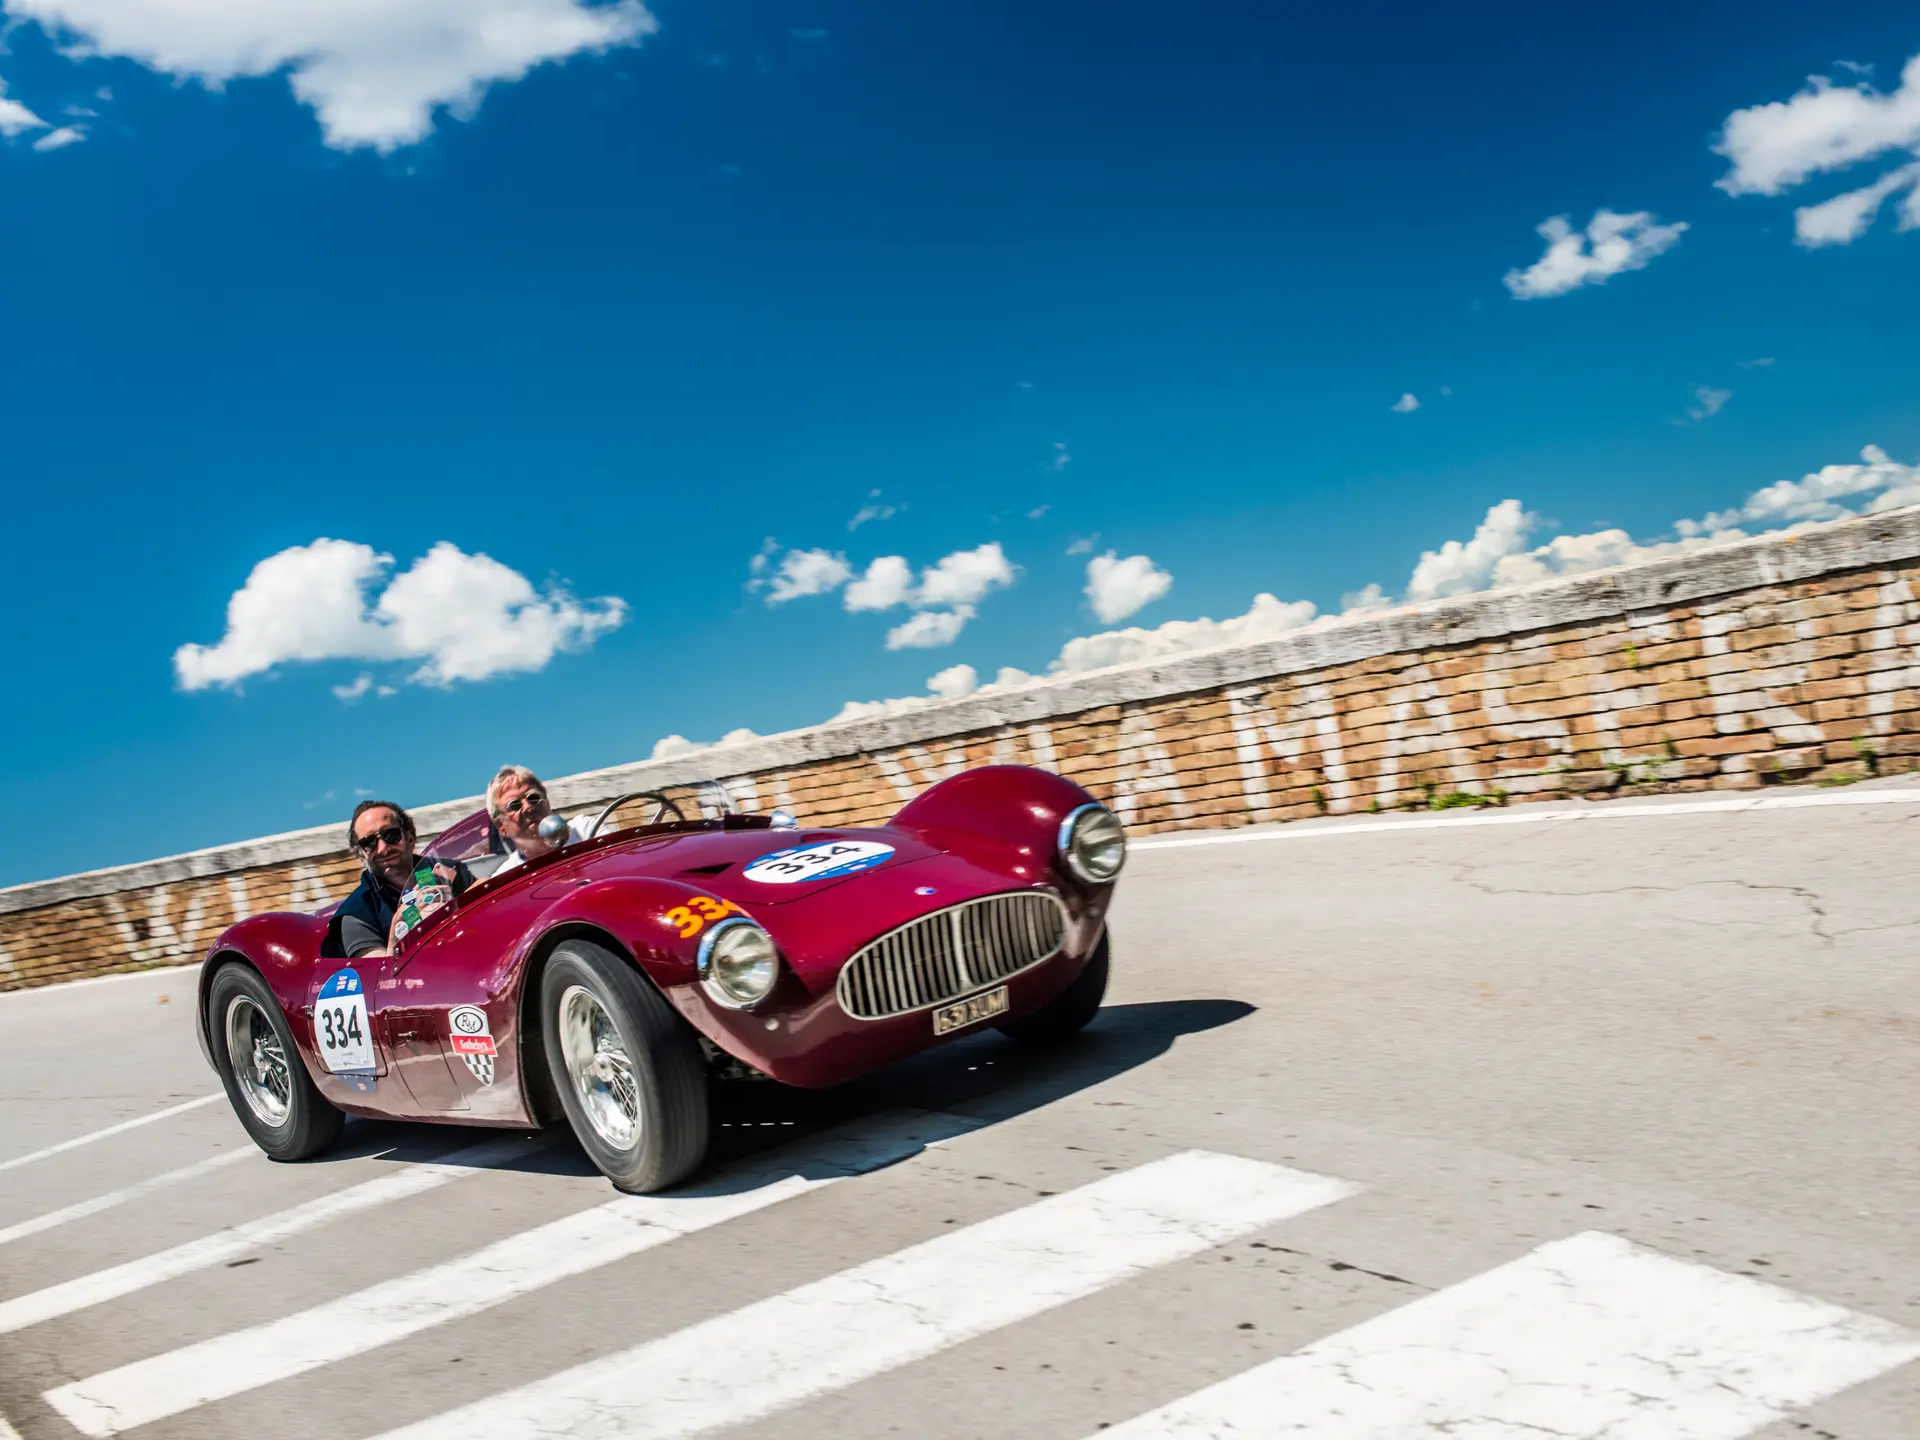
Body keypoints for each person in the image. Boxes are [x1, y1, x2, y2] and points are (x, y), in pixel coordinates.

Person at [332, 800, 473, 960]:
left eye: (391, 835)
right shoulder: (356, 913)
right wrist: (397, 932)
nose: (383, 847)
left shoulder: (448, 871)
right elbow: (379, 978)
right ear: (360, 855)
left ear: (410, 837)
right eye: (369, 842)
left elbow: (486, 903)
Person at [488, 765, 596, 876]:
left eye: (533, 797)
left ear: (547, 804)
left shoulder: (585, 831)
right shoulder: (506, 876)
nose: (528, 807)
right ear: (501, 826)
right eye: (514, 805)